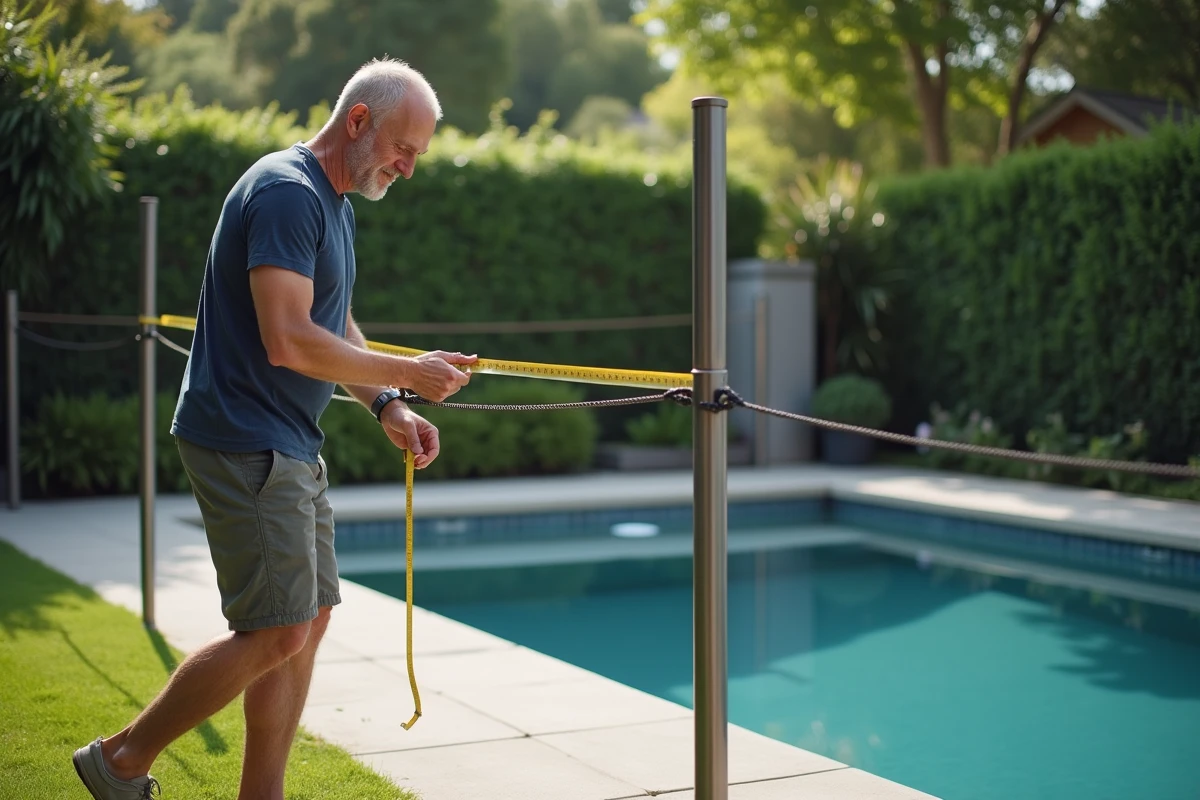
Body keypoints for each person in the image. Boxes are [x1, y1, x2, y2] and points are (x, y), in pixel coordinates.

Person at [72, 57, 476, 800]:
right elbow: (288, 340)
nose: (409, 169)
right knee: (276, 630)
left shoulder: (335, 203)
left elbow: (332, 325)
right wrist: (410, 372)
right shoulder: (289, 194)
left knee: (308, 619)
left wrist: (389, 402)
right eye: (404, 149)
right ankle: (120, 760)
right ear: (359, 120)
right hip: (243, 436)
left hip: (285, 437)